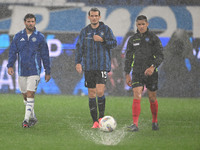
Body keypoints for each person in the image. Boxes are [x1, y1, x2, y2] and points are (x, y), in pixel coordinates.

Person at [75, 8, 117, 128]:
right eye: (92, 16)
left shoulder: (106, 30)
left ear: (99, 17)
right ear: (89, 17)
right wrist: (78, 62)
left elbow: (114, 43)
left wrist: (103, 40)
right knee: (91, 93)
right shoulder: (85, 31)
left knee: (100, 91)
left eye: (96, 16)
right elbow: (79, 48)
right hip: (89, 66)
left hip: (102, 65)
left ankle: (101, 118)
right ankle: (95, 121)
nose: (94, 18)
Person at [7, 13, 51, 128]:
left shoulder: (40, 37)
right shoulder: (18, 36)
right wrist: (10, 65)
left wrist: (47, 71)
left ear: (35, 23)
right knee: (25, 96)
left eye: (32, 21)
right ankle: (33, 117)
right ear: (25, 22)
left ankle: (25, 120)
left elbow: (45, 55)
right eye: (28, 21)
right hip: (22, 71)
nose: (30, 23)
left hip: (34, 71)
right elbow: (12, 52)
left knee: (31, 93)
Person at [124, 15, 164, 131]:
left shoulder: (153, 38)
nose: (141, 26)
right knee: (137, 95)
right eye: (139, 24)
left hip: (151, 72)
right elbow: (128, 58)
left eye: (143, 24)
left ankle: (155, 121)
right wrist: (127, 74)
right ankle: (135, 124)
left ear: (147, 24)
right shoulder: (133, 39)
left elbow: (161, 55)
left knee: (152, 97)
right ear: (136, 25)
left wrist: (152, 67)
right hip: (137, 72)